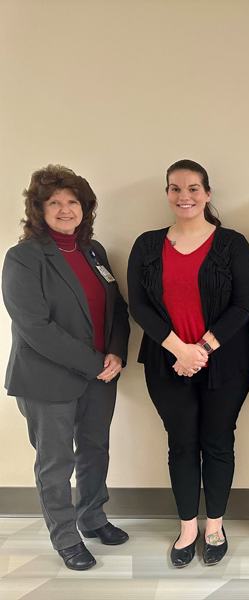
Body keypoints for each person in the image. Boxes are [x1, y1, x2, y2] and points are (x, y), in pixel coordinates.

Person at [127, 159, 249, 567]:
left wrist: (200, 348)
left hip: (227, 362)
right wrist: (179, 350)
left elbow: (244, 305)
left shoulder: (232, 243)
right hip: (167, 362)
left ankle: (215, 525)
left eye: (193, 188)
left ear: (207, 194)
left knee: (218, 442)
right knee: (181, 444)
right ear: (167, 193)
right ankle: (187, 527)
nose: (184, 196)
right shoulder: (147, 244)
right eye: (175, 188)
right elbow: (140, 306)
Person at [2, 165, 131, 570]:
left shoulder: (95, 252)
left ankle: (92, 517)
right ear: (38, 209)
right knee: (56, 462)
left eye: (72, 201)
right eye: (54, 202)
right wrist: (94, 363)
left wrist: (115, 353)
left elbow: (117, 310)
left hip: (101, 373)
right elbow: (35, 327)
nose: (64, 209)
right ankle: (65, 536)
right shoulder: (24, 257)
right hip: (47, 379)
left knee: (95, 449)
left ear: (85, 207)